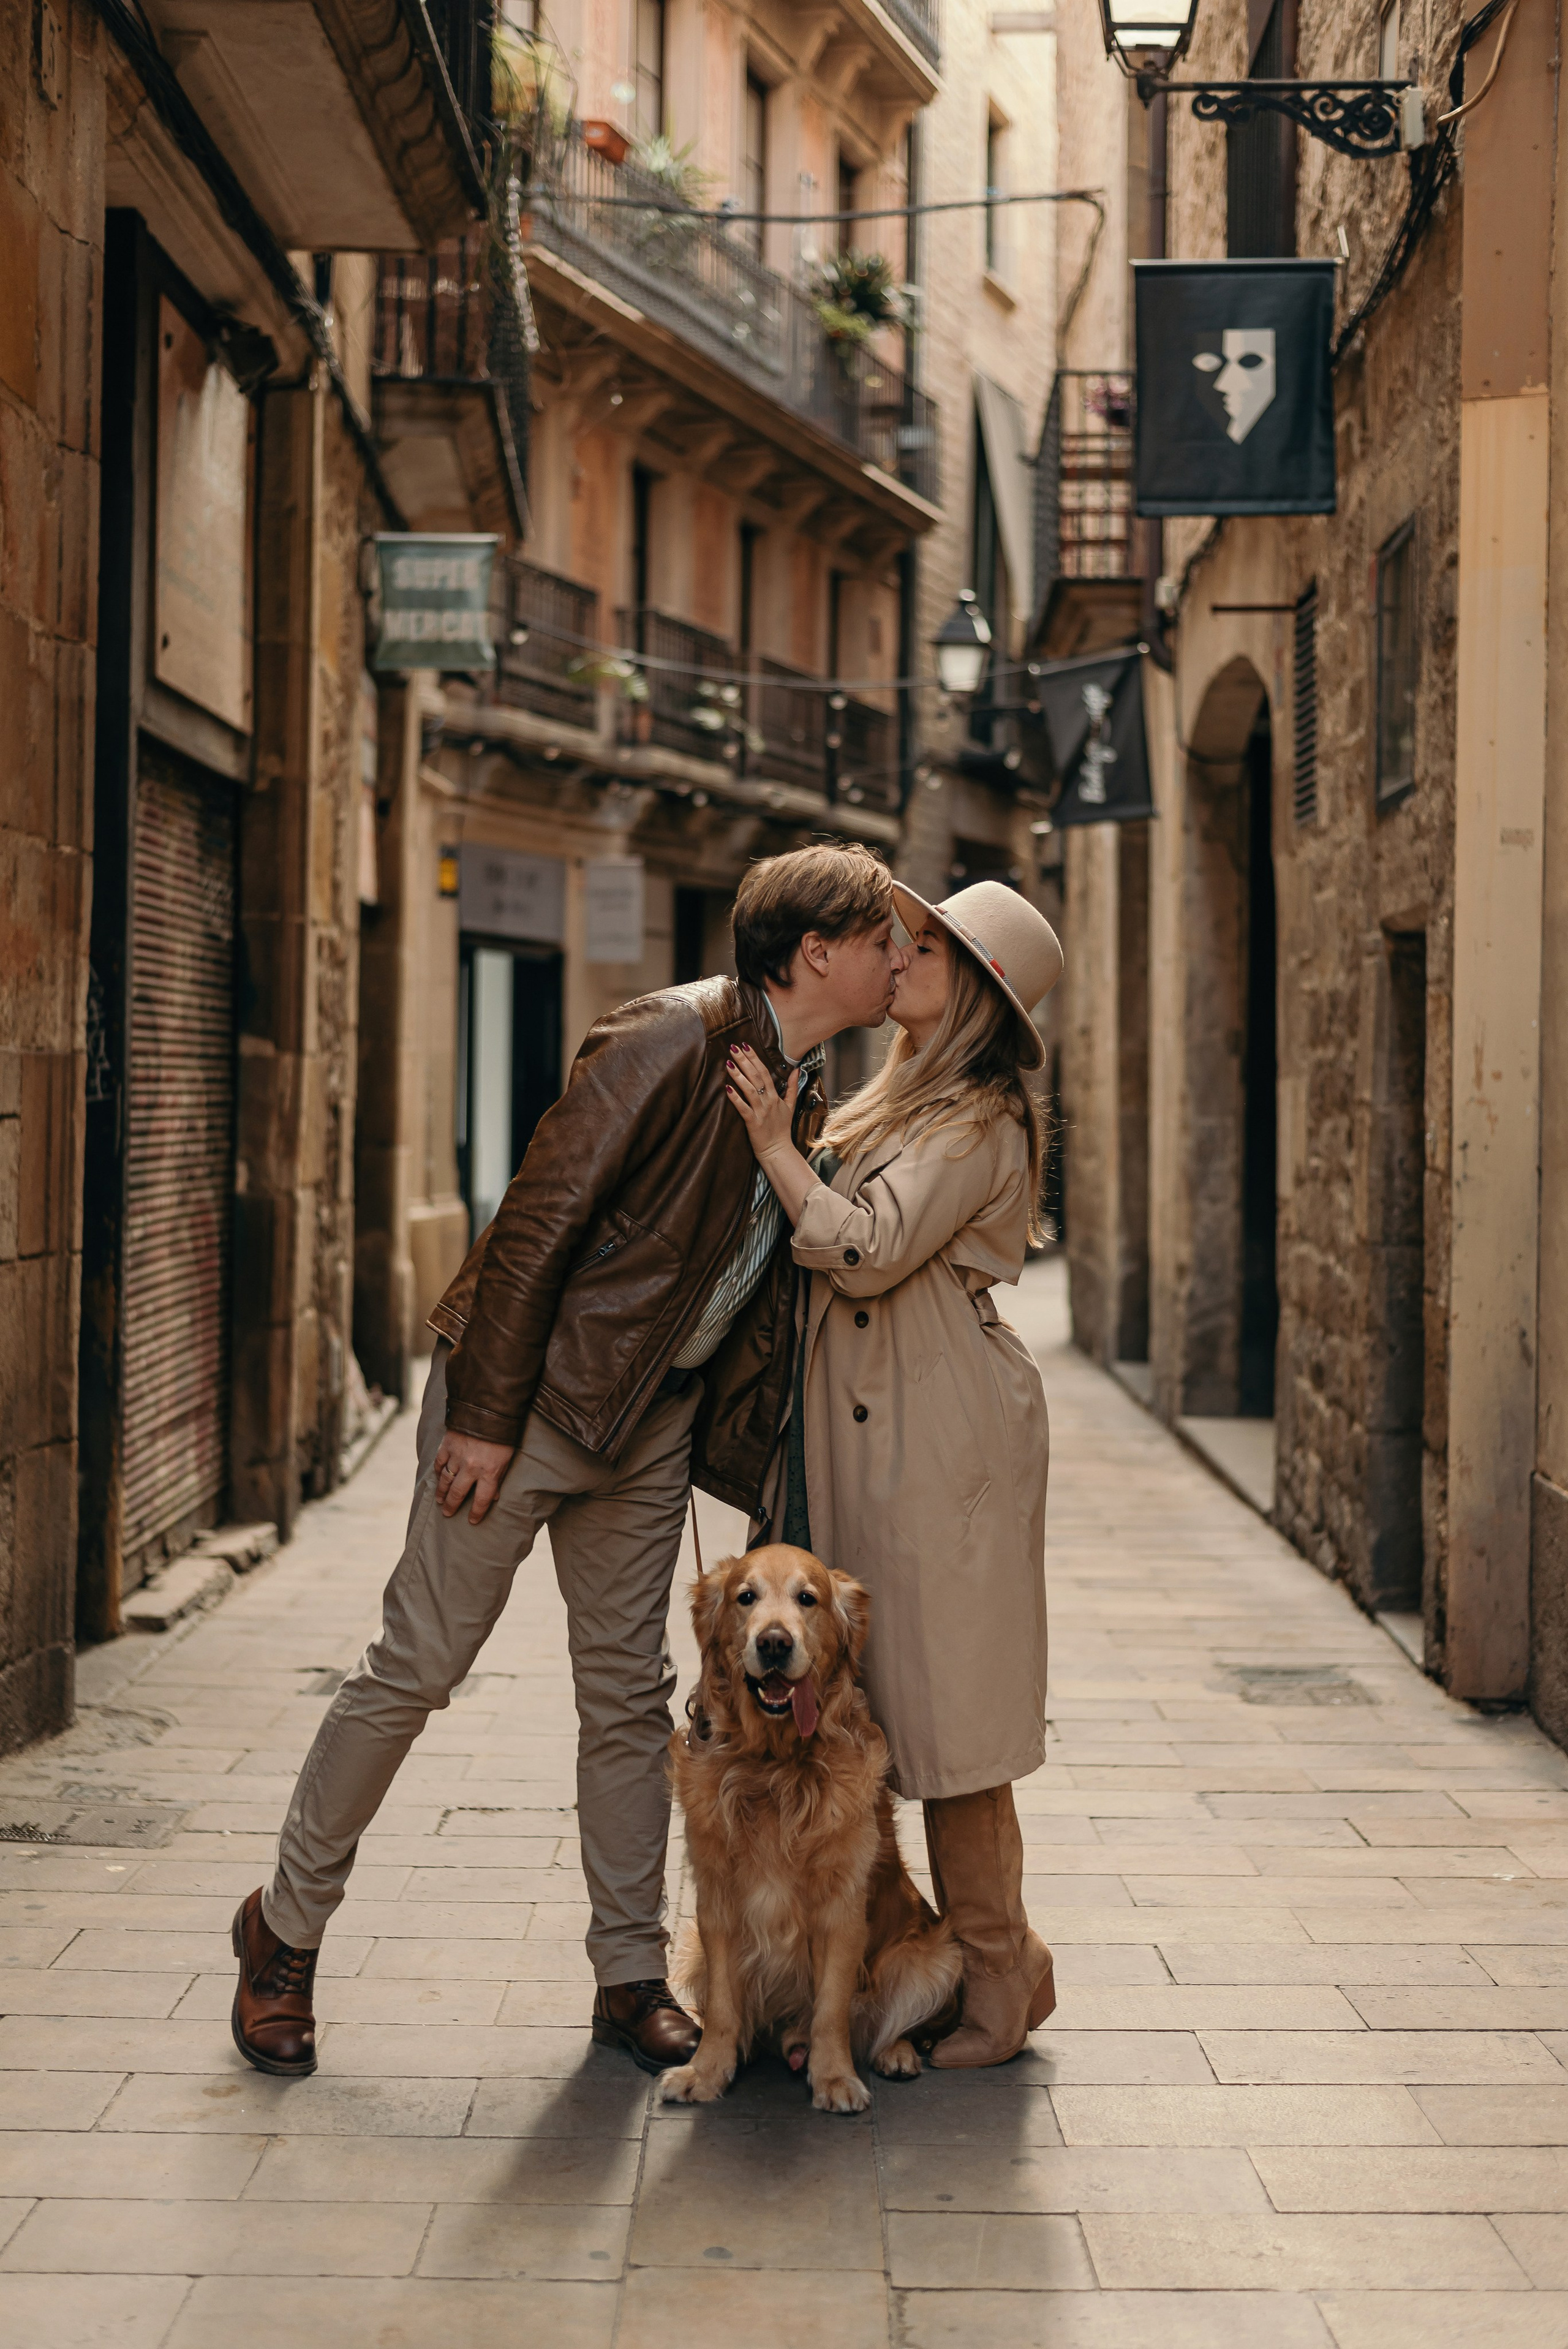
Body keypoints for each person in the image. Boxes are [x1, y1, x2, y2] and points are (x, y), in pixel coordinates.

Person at [230, 843, 905, 2080]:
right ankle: (282, 1936)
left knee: (625, 1697)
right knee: (415, 1666)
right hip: (528, 1404)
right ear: (815, 951)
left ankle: (627, 1974)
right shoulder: (666, 1037)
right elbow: (537, 1216)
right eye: (882, 941)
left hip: (646, 1425)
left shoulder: (797, 1085)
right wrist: (483, 1411)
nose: (896, 961)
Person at [725, 877, 1063, 2067]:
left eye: (928, 946)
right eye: (909, 938)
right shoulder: (901, 1094)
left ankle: (996, 1984)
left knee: (951, 1732)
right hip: (868, 1438)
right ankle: (942, 1959)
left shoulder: (977, 1118)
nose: (901, 952)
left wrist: (774, 1143)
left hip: (939, 1443)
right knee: (867, 1717)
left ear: (973, 987)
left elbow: (862, 1249)